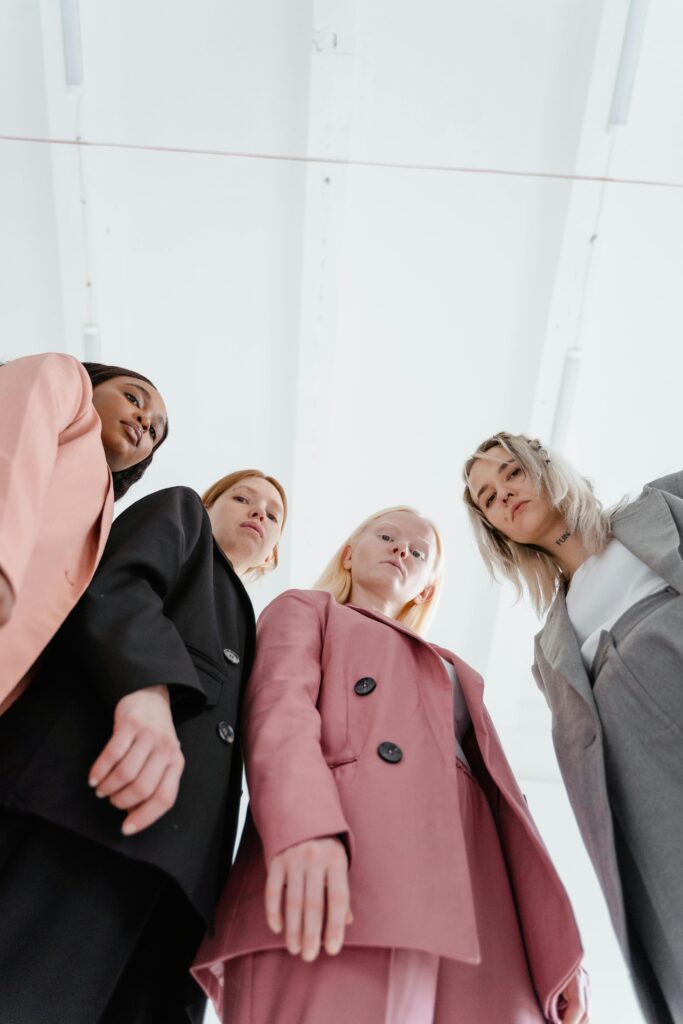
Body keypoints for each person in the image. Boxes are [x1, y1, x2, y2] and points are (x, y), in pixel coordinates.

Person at [193, 506, 588, 1024]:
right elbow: (278, 713)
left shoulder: (452, 668)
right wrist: (303, 829)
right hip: (348, 853)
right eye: (386, 535)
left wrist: (556, 950)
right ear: (350, 554)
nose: (402, 549)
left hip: (475, 888)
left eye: (419, 551)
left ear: (425, 589)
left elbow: (513, 806)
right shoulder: (307, 609)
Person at [0, 469, 287, 1024]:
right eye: (243, 497)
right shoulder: (183, 517)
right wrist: (145, 691)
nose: (258, 511)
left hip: (175, 888)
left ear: (273, 554)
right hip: (82, 813)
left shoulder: (257, 628)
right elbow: (117, 583)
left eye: (274, 514)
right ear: (211, 503)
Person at [463, 432, 683, 1024]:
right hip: (655, 797)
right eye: (487, 497)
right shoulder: (550, 649)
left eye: (511, 474)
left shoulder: (662, 507)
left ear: (546, 466)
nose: (503, 495)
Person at [0, 352, 168, 712]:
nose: (143, 419)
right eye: (133, 398)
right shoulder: (66, 378)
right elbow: (12, 448)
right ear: (95, 382)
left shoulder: (105, 513)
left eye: (154, 431)